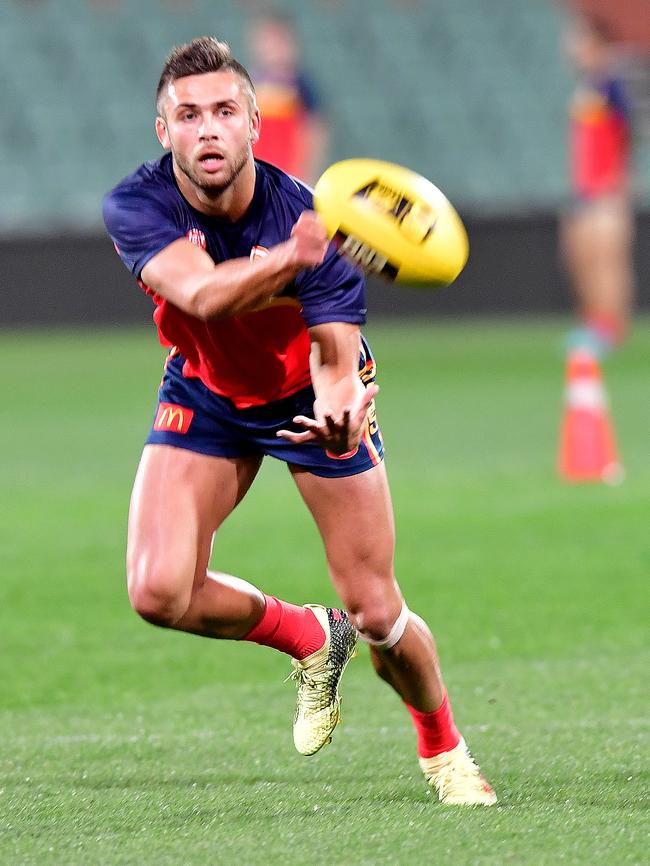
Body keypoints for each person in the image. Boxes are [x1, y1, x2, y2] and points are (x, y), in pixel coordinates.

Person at [102, 36, 496, 805]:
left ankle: (443, 747)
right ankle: (309, 637)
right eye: (188, 116)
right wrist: (293, 257)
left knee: (378, 612)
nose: (207, 130)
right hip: (208, 391)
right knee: (156, 591)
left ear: (255, 121)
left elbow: (335, 358)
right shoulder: (138, 203)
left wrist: (342, 409)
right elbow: (205, 294)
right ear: (163, 132)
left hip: (300, 400)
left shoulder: (318, 222)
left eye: (224, 111)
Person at [561, 12, 635, 361]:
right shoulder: (586, 86)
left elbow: (625, 134)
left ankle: (612, 327)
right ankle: (593, 322)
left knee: (608, 260)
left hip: (606, 189)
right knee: (581, 256)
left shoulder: (611, 84)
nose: (570, 46)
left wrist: (617, 183)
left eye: (576, 38)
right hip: (583, 188)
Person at [247, 11, 329, 183]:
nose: (271, 48)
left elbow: (315, 132)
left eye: (277, 41)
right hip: (257, 176)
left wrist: (306, 174)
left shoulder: (301, 86)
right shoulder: (248, 84)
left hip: (288, 176)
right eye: (266, 41)